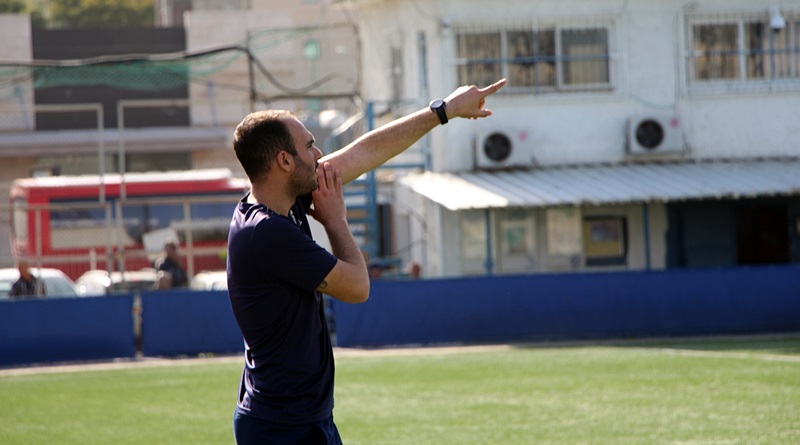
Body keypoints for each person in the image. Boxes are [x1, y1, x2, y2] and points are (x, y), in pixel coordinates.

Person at [226, 78, 507, 444]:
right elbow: (358, 287)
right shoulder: (267, 232)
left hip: (304, 418)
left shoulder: (281, 201)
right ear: (284, 161)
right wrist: (336, 220)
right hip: (281, 427)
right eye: (309, 146)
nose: (319, 155)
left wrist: (444, 111)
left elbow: (364, 153)